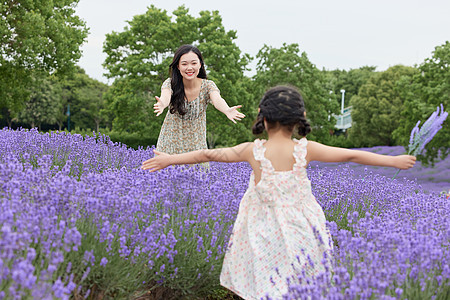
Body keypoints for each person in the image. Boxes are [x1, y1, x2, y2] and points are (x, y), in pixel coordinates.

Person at [142, 86, 416, 299]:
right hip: (302, 231)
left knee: (265, 288)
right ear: (301, 118)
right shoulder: (306, 149)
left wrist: (169, 159)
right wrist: (393, 161)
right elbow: (352, 156)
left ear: (261, 114)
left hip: (263, 235)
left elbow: (207, 154)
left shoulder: (252, 150)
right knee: (301, 286)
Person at [153, 44, 245, 154]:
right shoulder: (171, 83)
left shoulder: (208, 86)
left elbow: (217, 99)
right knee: (167, 171)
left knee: (199, 171)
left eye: (194, 63)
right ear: (178, 66)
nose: (189, 68)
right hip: (170, 143)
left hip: (196, 145)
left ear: (200, 65)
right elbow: (165, 96)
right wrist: (162, 104)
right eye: (184, 64)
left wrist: (226, 110)